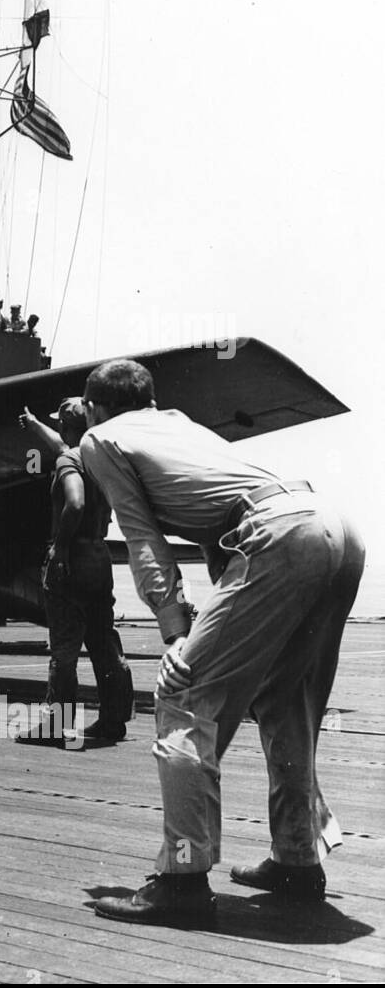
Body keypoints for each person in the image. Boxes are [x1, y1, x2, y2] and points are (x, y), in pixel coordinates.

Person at [78, 359, 364, 925]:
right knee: (287, 702)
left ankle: (182, 882)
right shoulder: (180, 423)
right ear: (150, 399)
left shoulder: (100, 438)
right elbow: (223, 530)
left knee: (182, 698)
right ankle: (298, 861)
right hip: (334, 526)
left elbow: (142, 539)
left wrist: (175, 636)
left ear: (92, 406)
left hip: (279, 536)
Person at [17, 399, 134, 747]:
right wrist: (35, 423)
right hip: (100, 555)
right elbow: (64, 446)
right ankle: (114, 720)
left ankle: (57, 725)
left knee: (65, 647)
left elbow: (76, 502)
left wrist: (60, 548)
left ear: (69, 427)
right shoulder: (101, 458)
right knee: (103, 641)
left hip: (74, 557)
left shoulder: (69, 461)